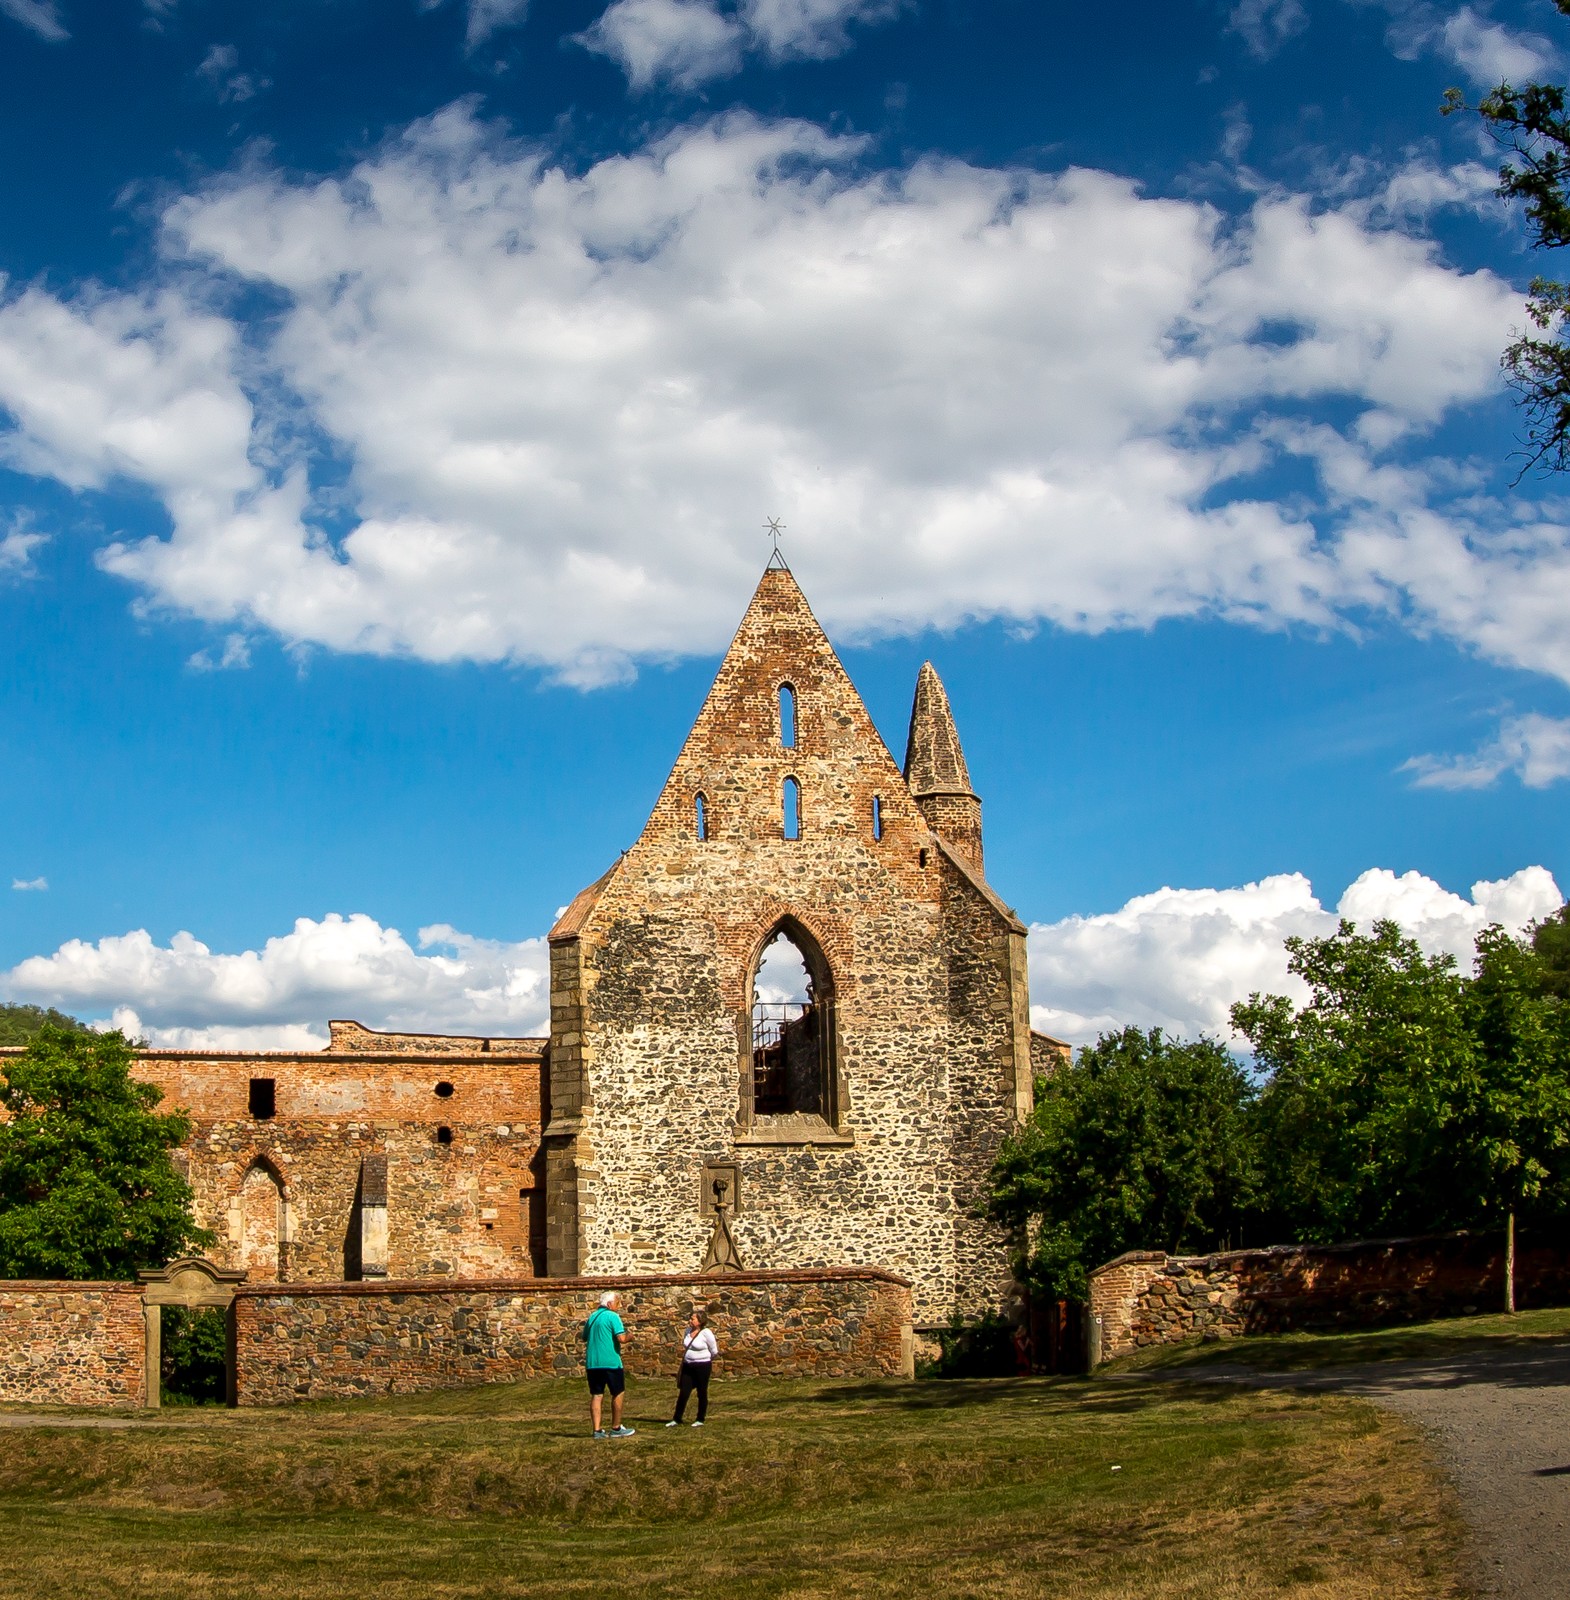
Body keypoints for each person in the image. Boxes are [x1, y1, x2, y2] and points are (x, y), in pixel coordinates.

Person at [582, 1290, 635, 1439]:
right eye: (618, 1303)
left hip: (593, 1363)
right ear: (610, 1304)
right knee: (617, 1392)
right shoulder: (613, 1316)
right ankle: (616, 1427)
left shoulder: (592, 1317)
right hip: (611, 1362)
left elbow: (584, 1336)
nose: (619, 1306)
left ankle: (597, 1430)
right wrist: (630, 1336)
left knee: (597, 1395)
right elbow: (621, 1338)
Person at [665, 1309, 718, 1428]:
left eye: (693, 1318)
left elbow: (714, 1351)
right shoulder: (688, 1331)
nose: (690, 1320)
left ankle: (700, 1418)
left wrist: (704, 1359)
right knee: (684, 1392)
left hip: (702, 1366)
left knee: (701, 1392)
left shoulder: (706, 1333)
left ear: (700, 1321)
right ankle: (677, 1418)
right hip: (688, 1365)